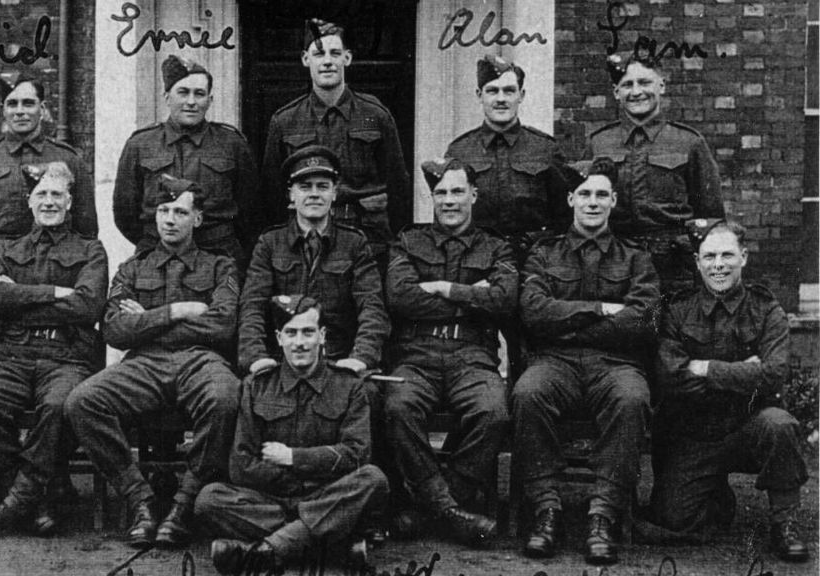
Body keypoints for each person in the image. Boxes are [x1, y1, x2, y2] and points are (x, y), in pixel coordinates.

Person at [66, 176, 241, 548]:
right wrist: (177, 311)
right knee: (82, 401)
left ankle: (184, 504)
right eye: (164, 211)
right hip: (144, 365)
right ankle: (140, 500)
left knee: (227, 398)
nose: (170, 219)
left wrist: (144, 321)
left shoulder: (220, 267)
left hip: (200, 362)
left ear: (198, 218)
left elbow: (224, 326)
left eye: (181, 211)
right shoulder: (133, 267)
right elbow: (113, 329)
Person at [512, 158, 660, 564]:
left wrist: (570, 320)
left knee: (632, 398)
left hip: (615, 365)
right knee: (527, 393)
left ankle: (603, 515)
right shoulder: (544, 254)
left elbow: (644, 321)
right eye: (585, 194)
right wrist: (603, 309)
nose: (592, 203)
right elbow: (534, 313)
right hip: (554, 362)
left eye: (601, 195)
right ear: (570, 199)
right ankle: (546, 509)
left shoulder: (636, 259)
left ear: (613, 201)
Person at [0, 162, 108, 537]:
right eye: (41, 194)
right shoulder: (7, 249)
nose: (49, 201)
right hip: (10, 355)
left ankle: (11, 508)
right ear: (29, 201)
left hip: (67, 356)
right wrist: (56, 293)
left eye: (57, 194)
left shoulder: (91, 251)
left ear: (70, 202)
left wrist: (18, 297)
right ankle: (36, 492)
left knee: (60, 406)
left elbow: (88, 306)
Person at [645, 219, 809, 562]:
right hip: (695, 433)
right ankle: (715, 493)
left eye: (726, 255)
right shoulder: (676, 309)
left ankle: (784, 522)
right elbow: (668, 376)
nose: (718, 265)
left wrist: (702, 367)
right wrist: (745, 372)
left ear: (744, 257)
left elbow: (774, 375)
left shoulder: (766, 309)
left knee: (779, 425)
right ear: (697, 262)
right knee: (674, 521)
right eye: (709, 257)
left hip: (749, 424)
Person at [197, 295, 389, 574]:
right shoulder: (257, 386)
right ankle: (333, 543)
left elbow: (357, 454)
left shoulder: (349, 386)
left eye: (308, 332)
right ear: (279, 338)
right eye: (291, 332)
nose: (299, 342)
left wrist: (293, 458)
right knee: (209, 499)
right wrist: (302, 490)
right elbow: (241, 464)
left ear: (322, 336)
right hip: (288, 499)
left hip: (326, 493)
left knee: (373, 479)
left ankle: (264, 551)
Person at [383, 158, 516, 547]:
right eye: (441, 193)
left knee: (493, 411)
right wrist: (476, 295)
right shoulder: (409, 241)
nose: (449, 200)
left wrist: (442, 287)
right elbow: (400, 297)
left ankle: (432, 506)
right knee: (397, 407)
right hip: (416, 353)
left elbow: (506, 299)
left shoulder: (496, 246)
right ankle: (451, 510)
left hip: (471, 353)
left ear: (473, 195)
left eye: (457, 192)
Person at [261, 18, 410, 265]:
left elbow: (398, 186)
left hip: (369, 237)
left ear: (347, 58)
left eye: (335, 53)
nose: (328, 61)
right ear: (305, 59)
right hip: (307, 236)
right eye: (319, 54)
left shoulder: (375, 114)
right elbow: (271, 192)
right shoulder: (285, 120)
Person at [240, 145, 388, 377]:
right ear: (291, 194)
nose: (314, 194)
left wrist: (361, 357)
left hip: (339, 361)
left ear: (335, 193)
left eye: (323, 187)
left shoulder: (355, 244)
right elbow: (253, 306)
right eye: (305, 187)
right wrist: (257, 357)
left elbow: (372, 308)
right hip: (282, 362)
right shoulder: (269, 244)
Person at [585, 53, 723, 293]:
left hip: (672, 267)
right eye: (627, 85)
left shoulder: (688, 142)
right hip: (616, 266)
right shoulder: (599, 143)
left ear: (661, 85)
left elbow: (711, 215)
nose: (636, 91)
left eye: (644, 83)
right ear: (616, 92)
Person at [112, 55, 259, 268]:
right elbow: (125, 214)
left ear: (210, 100)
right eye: (183, 92)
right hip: (156, 259)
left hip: (219, 257)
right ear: (167, 97)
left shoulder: (232, 144)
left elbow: (251, 212)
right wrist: (163, 240)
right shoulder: (140, 144)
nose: (191, 101)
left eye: (199, 94)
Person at [445, 54, 578, 255]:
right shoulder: (460, 151)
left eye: (509, 91)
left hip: (535, 260)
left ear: (521, 95)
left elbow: (567, 216)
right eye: (492, 91)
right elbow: (447, 217)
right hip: (477, 260)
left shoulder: (545, 149)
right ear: (479, 95)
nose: (501, 99)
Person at [0, 73, 97, 261]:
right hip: (0, 263)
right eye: (12, 104)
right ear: (3, 110)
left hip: (52, 263)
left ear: (42, 109)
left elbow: (86, 227)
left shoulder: (67, 158)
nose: (20, 111)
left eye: (28, 103)